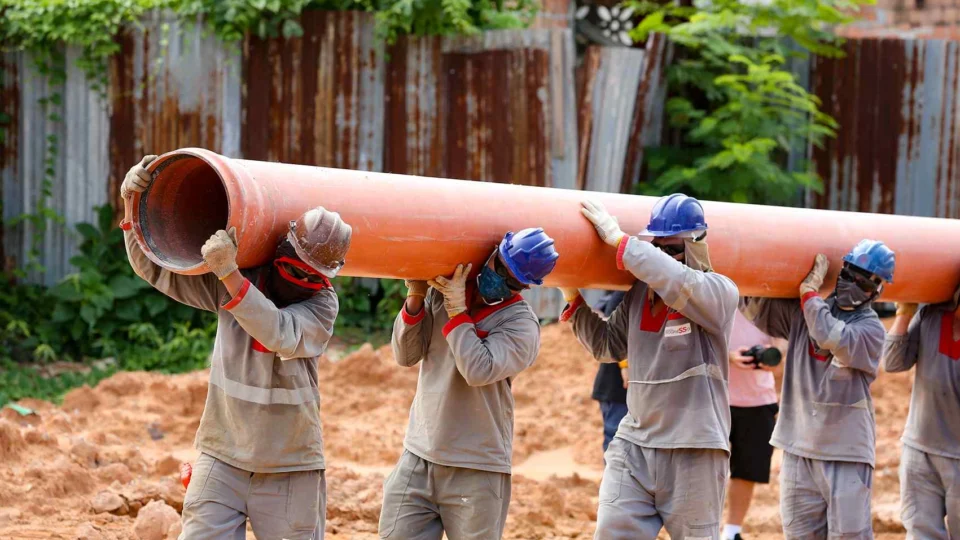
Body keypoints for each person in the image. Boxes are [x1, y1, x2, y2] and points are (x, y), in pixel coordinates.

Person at [120, 155, 351, 539]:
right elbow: (157, 269)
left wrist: (229, 274)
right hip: (222, 453)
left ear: (326, 276)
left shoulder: (322, 306)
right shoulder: (243, 276)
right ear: (282, 248)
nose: (297, 276)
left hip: (289, 466)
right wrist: (131, 207)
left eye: (309, 274)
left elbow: (278, 331)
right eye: (293, 265)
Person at [559, 194, 739, 540]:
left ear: (697, 245)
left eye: (672, 248)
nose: (662, 255)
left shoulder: (718, 293)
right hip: (636, 443)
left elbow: (681, 282)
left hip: (694, 448)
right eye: (657, 246)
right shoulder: (641, 293)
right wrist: (573, 298)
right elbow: (607, 345)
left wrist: (621, 242)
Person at [379, 228, 560, 540]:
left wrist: (457, 311)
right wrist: (415, 298)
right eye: (500, 268)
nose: (501, 279)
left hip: (477, 467)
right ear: (493, 255)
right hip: (419, 454)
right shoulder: (446, 291)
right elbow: (406, 356)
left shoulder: (521, 325)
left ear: (526, 286)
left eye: (513, 280)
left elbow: (477, 369)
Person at [740, 240, 895, 540]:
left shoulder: (871, 330)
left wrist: (810, 294)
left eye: (864, 282)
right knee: (799, 535)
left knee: (849, 535)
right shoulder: (806, 313)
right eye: (849, 274)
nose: (852, 284)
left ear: (878, 290)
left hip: (845, 453)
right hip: (799, 448)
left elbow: (829, 335)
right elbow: (756, 308)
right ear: (841, 271)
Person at [882, 287, 960, 538]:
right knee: (920, 533)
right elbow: (893, 362)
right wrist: (904, 313)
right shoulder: (930, 314)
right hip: (920, 452)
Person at [723, 310, 786, 540]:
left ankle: (731, 532)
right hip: (714, 397)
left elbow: (785, 339)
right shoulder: (715, 289)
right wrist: (728, 356)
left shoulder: (769, 298)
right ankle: (700, 530)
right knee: (703, 469)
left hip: (758, 399)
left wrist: (776, 354)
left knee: (747, 469)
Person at [591, 290, 629, 455]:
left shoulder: (617, 294)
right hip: (616, 388)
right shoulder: (621, 295)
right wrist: (625, 365)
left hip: (620, 389)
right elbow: (614, 335)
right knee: (616, 445)